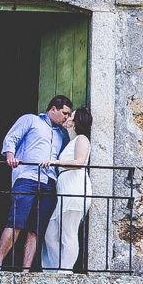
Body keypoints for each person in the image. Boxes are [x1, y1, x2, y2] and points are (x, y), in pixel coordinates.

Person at [0, 95, 72, 271]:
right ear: (53, 109)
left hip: (49, 182)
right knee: (16, 222)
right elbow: (11, 138)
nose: (66, 117)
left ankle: (25, 270)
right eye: (64, 113)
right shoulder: (31, 120)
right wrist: (10, 155)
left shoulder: (62, 135)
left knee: (36, 229)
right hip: (27, 178)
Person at [41, 106, 94, 272]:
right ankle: (55, 269)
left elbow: (79, 162)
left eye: (71, 116)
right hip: (65, 190)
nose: (67, 118)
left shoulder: (82, 140)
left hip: (75, 188)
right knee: (50, 233)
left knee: (69, 232)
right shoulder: (72, 141)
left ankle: (65, 271)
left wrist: (55, 162)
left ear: (76, 122)